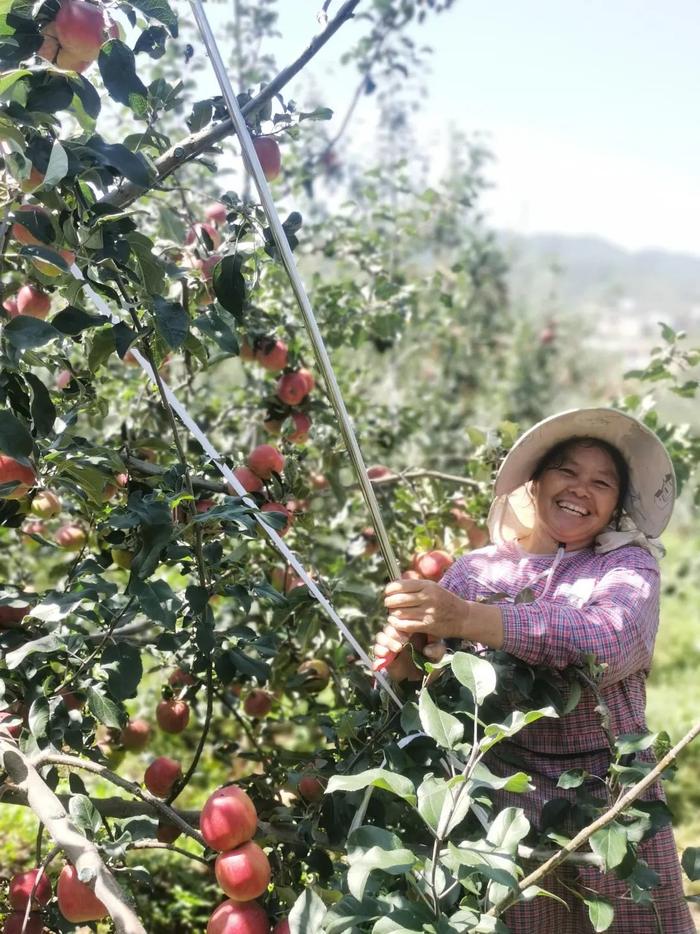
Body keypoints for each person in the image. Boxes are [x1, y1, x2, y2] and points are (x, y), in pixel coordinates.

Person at [373, 408, 694, 934]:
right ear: (537, 481)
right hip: (503, 801)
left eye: (601, 482)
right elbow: (430, 704)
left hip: (610, 798)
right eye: (566, 472)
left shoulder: (626, 569)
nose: (579, 489)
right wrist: (405, 660)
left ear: (616, 504)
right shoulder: (475, 572)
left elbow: (604, 641)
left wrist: (468, 618)